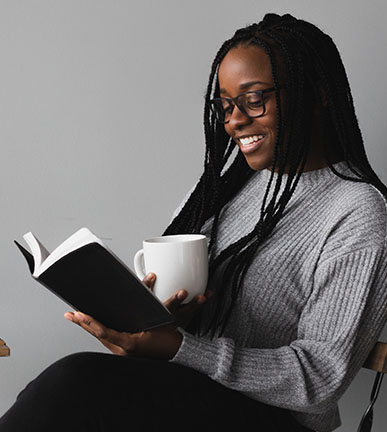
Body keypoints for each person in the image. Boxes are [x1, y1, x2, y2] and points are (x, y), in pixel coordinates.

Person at [1, 12, 387, 432]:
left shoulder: (357, 212)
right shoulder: (223, 190)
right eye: (224, 105)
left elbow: (319, 380)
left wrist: (181, 348)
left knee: (73, 382)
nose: (234, 120)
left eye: (254, 98)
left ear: (319, 94)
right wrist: (155, 326)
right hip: (191, 394)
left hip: (274, 421)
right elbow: (190, 331)